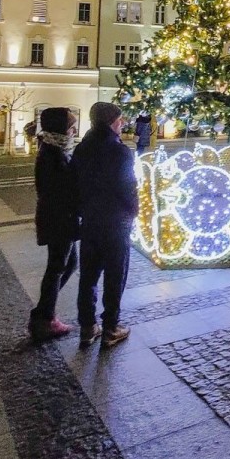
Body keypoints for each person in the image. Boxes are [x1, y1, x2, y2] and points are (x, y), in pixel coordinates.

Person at [73, 102, 138, 348]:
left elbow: (76, 185)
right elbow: (127, 186)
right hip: (115, 222)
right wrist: (134, 211)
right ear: (112, 121)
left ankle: (87, 326)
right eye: (120, 120)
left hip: (90, 221)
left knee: (88, 275)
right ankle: (111, 326)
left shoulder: (83, 148)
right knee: (115, 274)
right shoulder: (119, 151)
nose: (122, 124)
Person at [28, 107, 81, 342]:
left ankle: (43, 312)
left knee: (67, 265)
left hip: (58, 218)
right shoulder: (53, 154)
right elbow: (60, 190)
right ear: (61, 127)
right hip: (59, 219)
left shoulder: (55, 148)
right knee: (58, 267)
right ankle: (44, 318)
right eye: (71, 125)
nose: (74, 129)